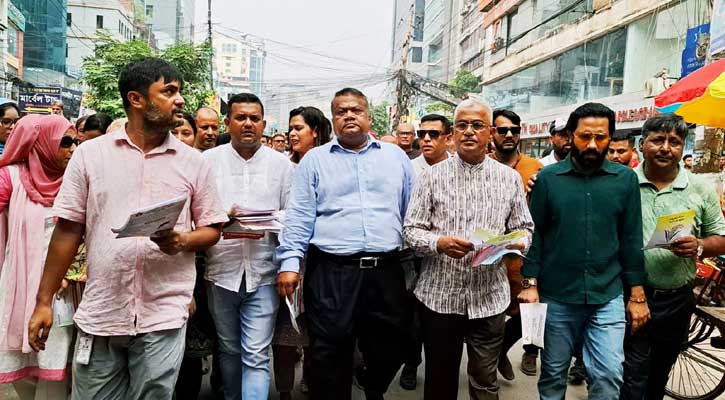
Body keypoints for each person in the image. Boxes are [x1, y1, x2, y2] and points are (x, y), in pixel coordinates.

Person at [26, 57, 228, 400]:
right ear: (136, 99)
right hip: (102, 310)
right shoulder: (90, 156)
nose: (179, 100)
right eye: (168, 91)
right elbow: (67, 231)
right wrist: (43, 301)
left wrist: (181, 240)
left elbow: (212, 228)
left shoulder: (193, 163)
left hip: (163, 313)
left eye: (178, 91)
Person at [275, 88, 414, 400]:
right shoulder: (315, 161)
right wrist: (289, 264)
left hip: (385, 270)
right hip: (332, 271)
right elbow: (299, 215)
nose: (349, 116)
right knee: (329, 349)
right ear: (333, 119)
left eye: (356, 110)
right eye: (341, 111)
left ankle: (373, 384)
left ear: (368, 116)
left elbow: (410, 209)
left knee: (391, 343)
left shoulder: (396, 158)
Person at [403, 99, 533, 400]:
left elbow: (526, 228)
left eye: (477, 125)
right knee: (440, 380)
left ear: (489, 133)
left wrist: (515, 242)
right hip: (439, 297)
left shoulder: (509, 179)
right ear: (452, 134)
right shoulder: (431, 177)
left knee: (485, 381)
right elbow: (411, 231)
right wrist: (439, 243)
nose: (469, 132)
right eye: (462, 125)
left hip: (489, 297)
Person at [520, 102, 649, 400]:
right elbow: (534, 235)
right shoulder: (548, 179)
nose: (592, 144)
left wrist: (637, 295)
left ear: (611, 138)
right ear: (570, 136)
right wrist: (530, 284)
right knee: (553, 374)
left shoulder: (626, 180)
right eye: (584, 136)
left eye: (601, 137)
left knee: (608, 374)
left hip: (607, 294)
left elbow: (630, 239)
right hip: (557, 295)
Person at [620, 114, 725, 400]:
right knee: (632, 376)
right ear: (642, 145)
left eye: (674, 142)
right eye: (658, 140)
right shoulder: (623, 182)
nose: (666, 148)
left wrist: (700, 246)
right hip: (629, 295)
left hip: (677, 299)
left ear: (682, 148)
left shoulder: (700, 188)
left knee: (659, 373)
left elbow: (721, 238)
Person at [204, 93, 294, 400]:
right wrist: (222, 218)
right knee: (228, 349)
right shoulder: (207, 163)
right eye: (240, 118)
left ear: (264, 124)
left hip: (264, 273)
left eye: (254, 119)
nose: (247, 124)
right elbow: (195, 214)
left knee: (256, 353)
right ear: (227, 123)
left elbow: (293, 219)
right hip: (221, 273)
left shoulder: (282, 166)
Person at [0, 115, 76, 399]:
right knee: (22, 362)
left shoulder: (75, 180)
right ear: (40, 143)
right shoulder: (10, 177)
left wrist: (73, 272)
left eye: (74, 142)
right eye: (65, 142)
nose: (72, 150)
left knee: (58, 360)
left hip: (64, 286)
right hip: (19, 284)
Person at [272, 106, 331, 400]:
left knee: (316, 334)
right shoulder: (282, 167)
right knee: (284, 334)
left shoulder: (330, 166)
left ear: (316, 131)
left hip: (321, 262)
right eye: (291, 128)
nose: (292, 134)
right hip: (286, 261)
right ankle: (284, 390)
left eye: (299, 128)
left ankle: (311, 379)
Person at [488, 109, 543, 380]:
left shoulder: (535, 169)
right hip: (490, 256)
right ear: (491, 134)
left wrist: (535, 195)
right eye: (502, 130)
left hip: (524, 256)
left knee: (531, 312)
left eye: (514, 130)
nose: (509, 135)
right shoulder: (481, 165)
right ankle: (489, 361)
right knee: (492, 318)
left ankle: (508, 350)